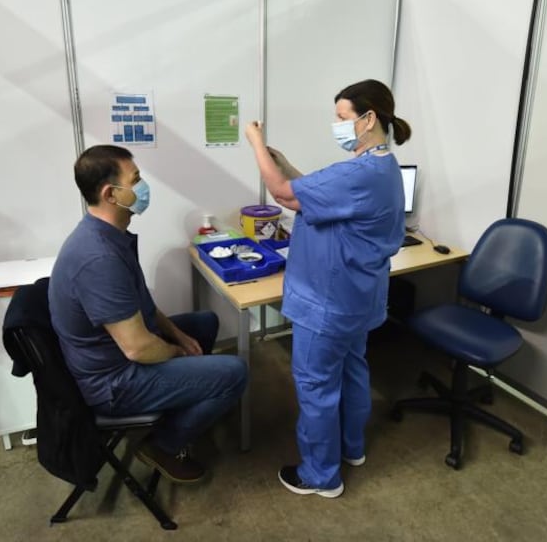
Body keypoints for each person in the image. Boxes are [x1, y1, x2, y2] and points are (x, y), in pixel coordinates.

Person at [244, 79, 409, 498]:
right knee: (353, 371)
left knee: (316, 386)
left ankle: (321, 476)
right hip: (357, 299)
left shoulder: (359, 172)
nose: (335, 125)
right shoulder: (383, 165)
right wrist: (281, 160)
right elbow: (312, 194)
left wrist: (256, 144)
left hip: (328, 303)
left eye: (341, 118)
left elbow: (283, 195)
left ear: (368, 118)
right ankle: (352, 448)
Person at [49, 144, 248, 483]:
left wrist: (178, 335)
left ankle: (187, 404)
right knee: (236, 372)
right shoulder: (98, 258)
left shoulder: (110, 236)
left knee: (204, 323)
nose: (143, 187)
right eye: (136, 179)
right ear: (111, 194)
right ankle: (163, 445)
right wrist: (177, 353)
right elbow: (138, 348)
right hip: (114, 382)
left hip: (117, 353)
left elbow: (138, 303)